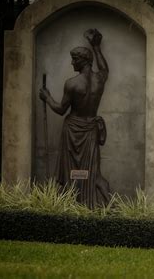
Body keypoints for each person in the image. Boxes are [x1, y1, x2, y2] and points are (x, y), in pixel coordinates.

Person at [39, 28, 110, 209]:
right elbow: (104, 68)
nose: (71, 63)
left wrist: (47, 97)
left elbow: (61, 109)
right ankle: (105, 206)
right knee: (92, 172)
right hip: (90, 129)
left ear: (83, 61)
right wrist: (96, 47)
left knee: (70, 172)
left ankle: (73, 205)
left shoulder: (72, 84)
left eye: (74, 59)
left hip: (73, 129)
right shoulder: (100, 79)